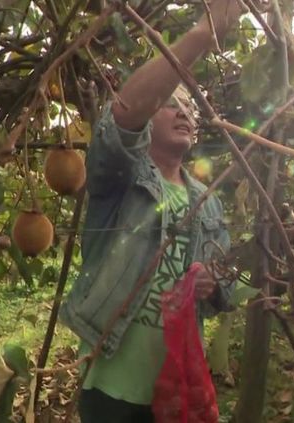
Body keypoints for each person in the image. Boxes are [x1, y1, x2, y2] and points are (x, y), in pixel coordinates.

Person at [58, 1, 243, 422]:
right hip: (111, 386)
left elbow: (223, 290)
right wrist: (200, 35)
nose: (185, 112)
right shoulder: (122, 179)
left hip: (176, 388)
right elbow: (123, 114)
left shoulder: (208, 200)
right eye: (172, 103)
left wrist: (212, 286)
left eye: (192, 108)